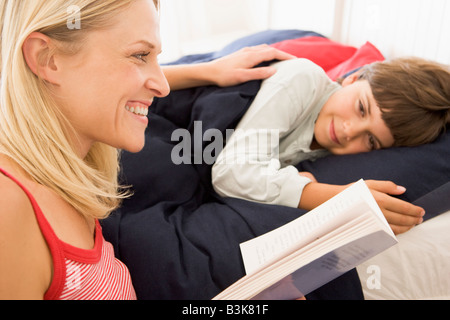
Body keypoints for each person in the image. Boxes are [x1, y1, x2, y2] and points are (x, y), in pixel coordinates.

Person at [0, 0, 294, 300]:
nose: (163, 86)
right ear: (48, 59)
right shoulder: (8, 207)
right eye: (140, 55)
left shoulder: (72, 176)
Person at [212, 57, 450, 235]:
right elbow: (230, 173)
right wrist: (325, 196)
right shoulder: (305, 79)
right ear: (353, 78)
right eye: (361, 108)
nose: (349, 131)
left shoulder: (327, 156)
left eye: (370, 140)